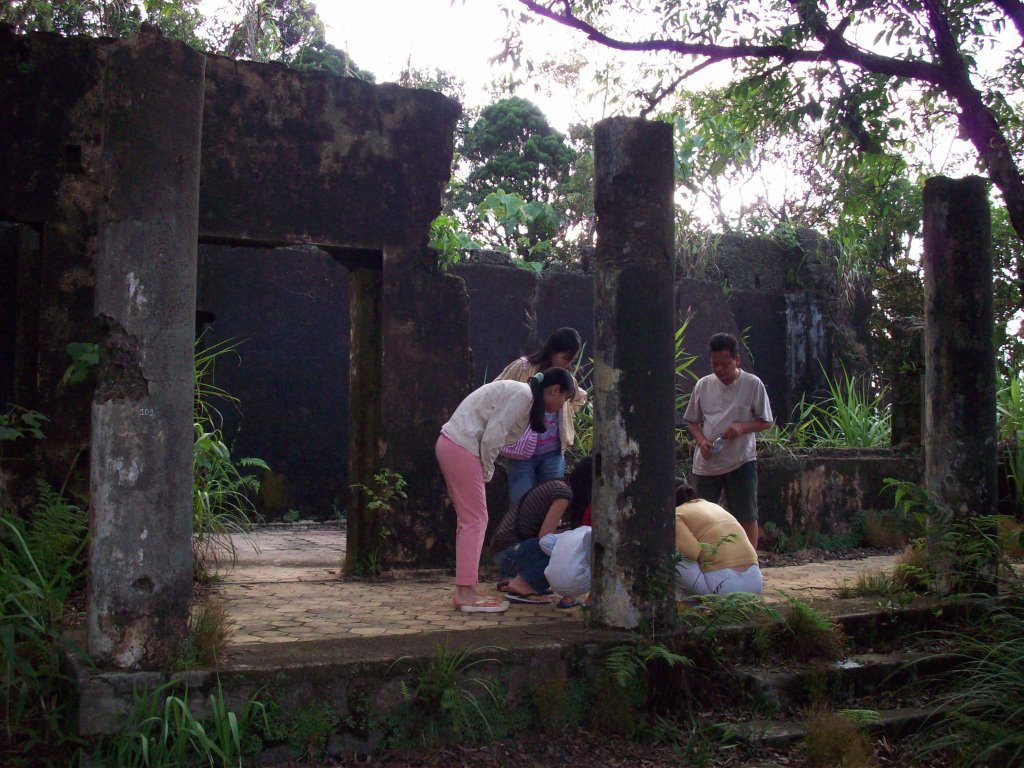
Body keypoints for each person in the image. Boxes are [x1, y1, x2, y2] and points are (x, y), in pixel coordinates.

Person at [437, 368, 576, 613]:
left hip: (455, 444)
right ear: (554, 391)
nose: (561, 406)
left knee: (470, 520)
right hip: (462, 446)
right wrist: (487, 473)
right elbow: (492, 437)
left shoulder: (525, 398)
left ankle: (466, 590)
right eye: (563, 399)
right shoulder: (523, 395)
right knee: (476, 520)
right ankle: (464, 593)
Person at [684, 332, 773, 549]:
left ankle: (750, 564)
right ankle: (704, 561)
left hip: (741, 460)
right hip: (706, 464)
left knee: (746, 515)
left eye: (725, 364)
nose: (719, 370)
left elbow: (766, 422)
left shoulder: (753, 384)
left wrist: (741, 427)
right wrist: (701, 441)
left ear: (737, 360)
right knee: (701, 516)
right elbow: (692, 421)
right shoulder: (703, 385)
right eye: (715, 364)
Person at [494, 328, 589, 505]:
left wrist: (567, 409)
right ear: (553, 351)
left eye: (572, 361)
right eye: (566, 358)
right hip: (520, 453)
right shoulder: (523, 368)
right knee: (520, 507)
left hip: (553, 453)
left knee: (549, 507)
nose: (568, 364)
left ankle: (545, 535)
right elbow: (496, 390)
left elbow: (581, 398)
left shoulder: (566, 378)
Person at [488, 456, 594, 605]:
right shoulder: (563, 494)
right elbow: (544, 537)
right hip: (509, 553)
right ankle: (522, 585)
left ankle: (522, 580)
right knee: (562, 549)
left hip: (510, 553)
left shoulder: (561, 486)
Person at [674, 482, 763, 596]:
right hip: (755, 584)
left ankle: (679, 599)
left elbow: (692, 553)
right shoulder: (712, 506)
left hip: (723, 589)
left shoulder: (676, 514)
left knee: (671, 552)